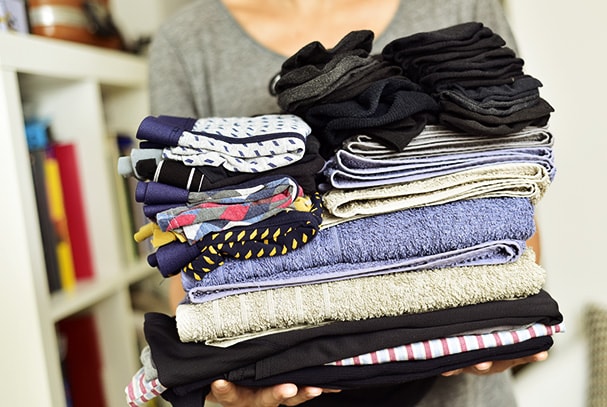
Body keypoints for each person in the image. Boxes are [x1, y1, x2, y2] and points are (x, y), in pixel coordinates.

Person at [148, 1, 547, 406]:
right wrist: (222, 369)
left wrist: (504, 326)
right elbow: (182, 253)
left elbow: (514, 215)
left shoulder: (462, 5)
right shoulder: (188, 40)